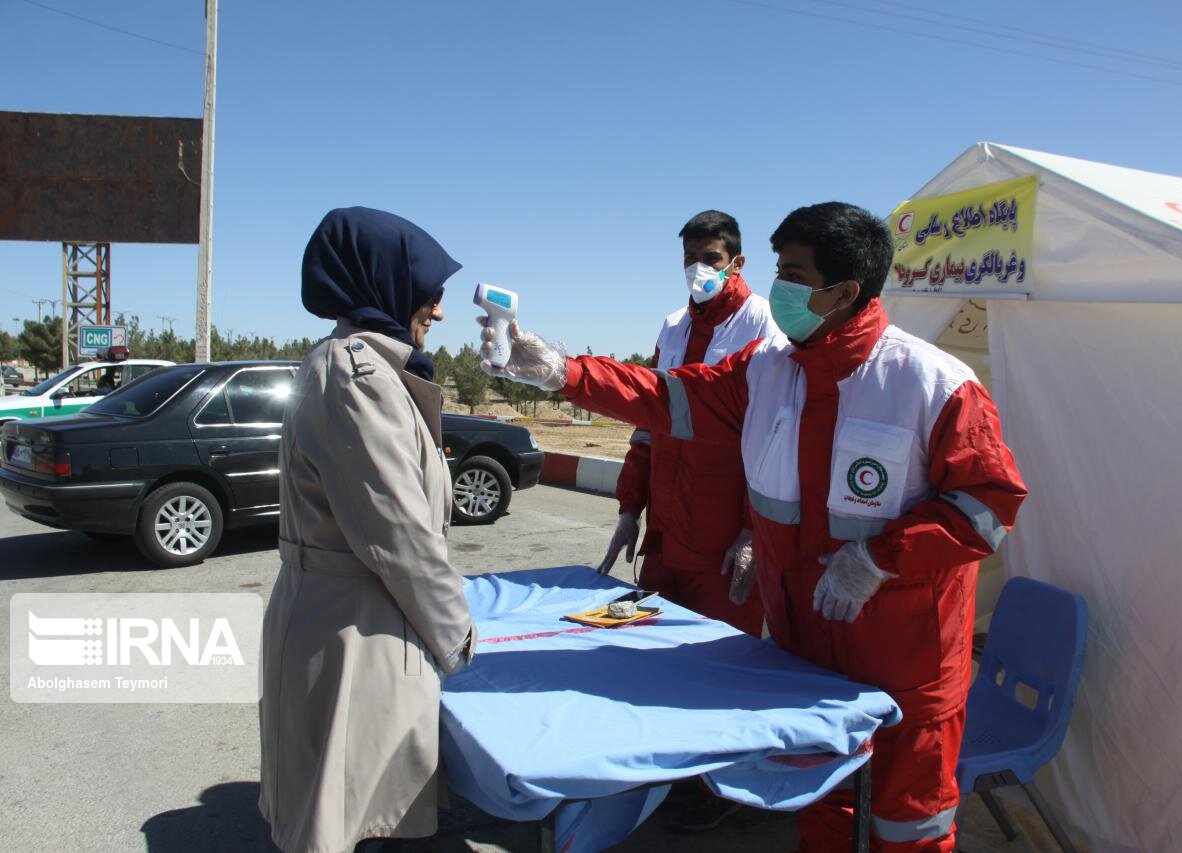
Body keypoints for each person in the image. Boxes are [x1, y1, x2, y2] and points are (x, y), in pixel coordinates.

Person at [480, 202, 1028, 852]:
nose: (778, 289)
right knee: (822, 816)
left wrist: (883, 556)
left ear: (845, 292)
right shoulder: (768, 371)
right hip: (804, 660)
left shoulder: (933, 385)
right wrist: (561, 371)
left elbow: (990, 502)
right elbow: (666, 397)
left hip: (906, 675)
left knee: (908, 829)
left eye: (793, 274)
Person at [259, 207, 476, 853]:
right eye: (428, 291)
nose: (437, 310)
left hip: (353, 615)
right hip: (354, 630)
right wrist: (457, 637)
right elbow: (399, 536)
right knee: (344, 817)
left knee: (343, 809)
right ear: (383, 280)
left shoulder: (361, 367)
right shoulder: (357, 378)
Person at [599, 210, 779, 642]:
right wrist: (630, 508)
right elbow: (649, 424)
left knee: (718, 667)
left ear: (737, 263)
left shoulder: (763, 323)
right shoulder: (673, 326)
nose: (698, 267)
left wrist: (752, 532)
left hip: (721, 546)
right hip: (665, 535)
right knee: (649, 650)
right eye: (689, 257)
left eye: (711, 257)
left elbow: (770, 440)